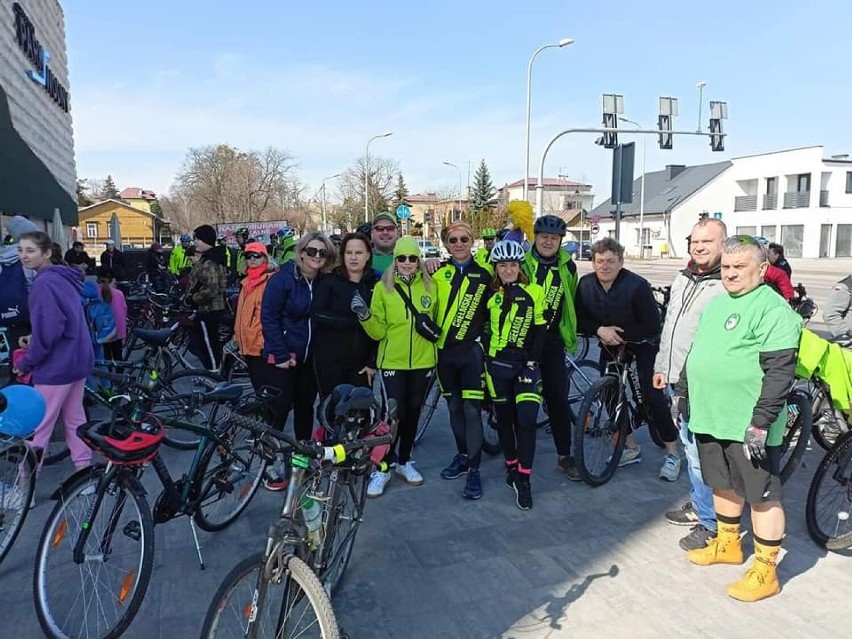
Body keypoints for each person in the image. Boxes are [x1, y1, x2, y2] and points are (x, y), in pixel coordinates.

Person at [675, 235, 802, 602]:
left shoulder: (774, 310)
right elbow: (698, 352)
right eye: (726, 267)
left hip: (748, 423)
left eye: (739, 267)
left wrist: (761, 422)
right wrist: (684, 390)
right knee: (722, 484)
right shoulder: (718, 303)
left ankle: (766, 569)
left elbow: (780, 371)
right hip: (710, 415)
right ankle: (728, 544)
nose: (730, 274)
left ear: (762, 270)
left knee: (762, 496)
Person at [575, 237, 681, 479]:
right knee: (610, 395)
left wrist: (619, 334)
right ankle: (630, 447)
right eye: (599, 261)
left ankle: (673, 453)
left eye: (611, 261)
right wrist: (600, 330)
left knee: (652, 395)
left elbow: (653, 326)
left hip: (644, 343)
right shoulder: (586, 284)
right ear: (593, 263)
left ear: (621, 262)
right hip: (610, 343)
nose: (604, 266)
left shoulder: (637, 285)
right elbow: (580, 319)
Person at [653, 218, 728, 551]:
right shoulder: (684, 278)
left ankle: (711, 524)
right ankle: (702, 505)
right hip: (675, 379)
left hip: (701, 384)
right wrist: (661, 367)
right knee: (689, 446)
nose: (699, 247)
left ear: (723, 244)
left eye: (707, 242)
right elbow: (670, 326)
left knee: (700, 454)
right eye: (695, 241)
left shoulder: (725, 285)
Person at [353, 236, 438, 498]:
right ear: (395, 260)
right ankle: (384, 466)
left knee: (413, 413)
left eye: (413, 258)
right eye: (402, 258)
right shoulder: (383, 288)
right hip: (392, 362)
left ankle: (404, 460)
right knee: (394, 415)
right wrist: (365, 316)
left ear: (419, 260)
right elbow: (378, 332)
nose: (408, 263)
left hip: (424, 361)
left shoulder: (432, 285)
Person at [11, 231, 94, 471]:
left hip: (57, 366)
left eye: (30, 250)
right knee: (75, 420)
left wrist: (26, 362)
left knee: (39, 426)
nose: (23, 256)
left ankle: (24, 490)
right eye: (20, 250)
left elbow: (49, 332)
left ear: (46, 253)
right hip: (77, 361)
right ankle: (85, 473)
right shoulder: (63, 278)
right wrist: (35, 336)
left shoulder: (43, 283)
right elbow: (59, 323)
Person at [485, 240, 546, 510]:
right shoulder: (490, 295)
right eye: (502, 265)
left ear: (520, 267)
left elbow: (541, 331)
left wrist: (532, 361)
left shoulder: (534, 291)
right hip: (497, 366)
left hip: (525, 367)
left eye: (512, 265)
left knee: (527, 420)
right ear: (495, 268)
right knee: (505, 421)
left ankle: (524, 478)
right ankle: (511, 465)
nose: (508, 270)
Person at [434, 222, 493, 501]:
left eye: (464, 239)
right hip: (445, 355)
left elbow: (497, 310)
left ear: (472, 241)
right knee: (454, 408)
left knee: (471, 411)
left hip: (471, 354)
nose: (459, 244)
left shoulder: (486, 274)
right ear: (446, 244)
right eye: (453, 240)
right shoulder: (438, 274)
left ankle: (474, 469)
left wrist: (484, 344)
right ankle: (462, 456)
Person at [261, 231, 336, 447]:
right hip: (285, 355)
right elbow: (269, 318)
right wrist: (280, 353)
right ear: (301, 253)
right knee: (280, 407)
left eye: (322, 252)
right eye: (311, 251)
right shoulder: (282, 280)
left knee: (305, 407)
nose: (317, 256)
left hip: (310, 358)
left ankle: (302, 452)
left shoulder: (325, 281)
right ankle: (268, 458)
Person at [521, 215, 580, 480]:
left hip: (553, 340)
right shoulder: (522, 263)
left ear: (560, 241)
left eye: (554, 238)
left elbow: (572, 300)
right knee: (521, 399)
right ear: (535, 237)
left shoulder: (568, 268)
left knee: (557, 398)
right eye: (543, 237)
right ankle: (517, 457)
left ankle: (564, 456)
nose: (548, 242)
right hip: (522, 340)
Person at [311, 232, 378, 400]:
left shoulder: (375, 285)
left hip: (361, 365)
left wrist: (372, 362)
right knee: (333, 414)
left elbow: (382, 327)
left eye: (359, 252)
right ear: (343, 255)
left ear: (368, 255)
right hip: (330, 362)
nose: (353, 258)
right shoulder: (329, 282)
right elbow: (317, 314)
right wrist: (356, 321)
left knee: (360, 415)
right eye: (349, 253)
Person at [232, 242, 278, 389]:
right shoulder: (246, 282)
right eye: (248, 256)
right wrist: (236, 337)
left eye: (256, 256)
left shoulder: (270, 281)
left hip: (261, 346)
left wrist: (268, 342)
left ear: (265, 258)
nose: (252, 259)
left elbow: (272, 315)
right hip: (247, 344)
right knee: (258, 386)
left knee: (266, 387)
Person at [185, 225, 228, 370]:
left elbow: (212, 288)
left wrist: (193, 299)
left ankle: (215, 377)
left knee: (210, 347)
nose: (195, 242)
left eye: (198, 239)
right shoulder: (208, 258)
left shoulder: (210, 261)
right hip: (206, 310)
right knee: (208, 345)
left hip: (208, 311)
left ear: (206, 240)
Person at [96, 266, 128, 362]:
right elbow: (122, 316)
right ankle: (119, 376)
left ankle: (107, 376)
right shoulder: (119, 294)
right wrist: (123, 335)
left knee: (105, 358)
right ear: (113, 279)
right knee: (118, 357)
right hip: (116, 332)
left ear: (98, 279)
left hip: (100, 332)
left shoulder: (94, 294)